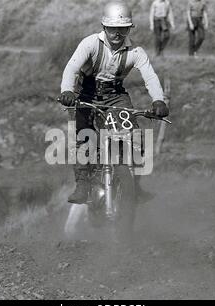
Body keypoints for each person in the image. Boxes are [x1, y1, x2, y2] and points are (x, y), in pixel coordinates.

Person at [59, 1, 169, 204]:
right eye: (112, 28)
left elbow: (150, 77)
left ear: (129, 28)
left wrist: (159, 101)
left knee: (134, 137)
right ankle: (82, 184)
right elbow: (72, 67)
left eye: (122, 28)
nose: (117, 33)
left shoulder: (136, 51)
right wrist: (67, 91)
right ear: (104, 27)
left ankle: (134, 185)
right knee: (83, 137)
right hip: (85, 95)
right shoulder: (90, 44)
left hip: (116, 95)